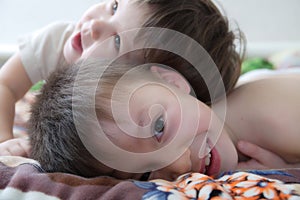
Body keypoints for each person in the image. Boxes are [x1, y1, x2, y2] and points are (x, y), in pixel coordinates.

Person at [0, 0, 244, 157]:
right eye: (114, 6)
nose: (94, 25)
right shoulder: (58, 39)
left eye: (117, 41)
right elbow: (5, 85)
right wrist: (4, 139)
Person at [28, 60, 300, 181]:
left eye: (159, 127)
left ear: (173, 82)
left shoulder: (275, 118)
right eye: (146, 174)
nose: (180, 163)